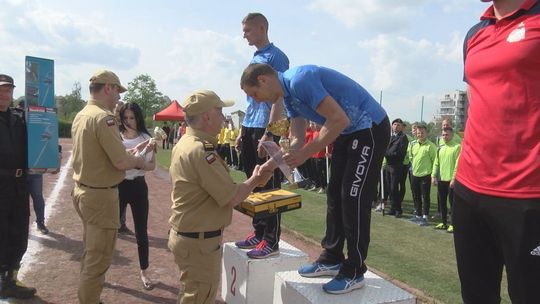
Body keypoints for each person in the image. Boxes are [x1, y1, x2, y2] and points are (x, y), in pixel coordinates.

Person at [241, 63, 390, 294]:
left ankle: (355, 270)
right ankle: (331, 257)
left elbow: (339, 120)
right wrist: (269, 167)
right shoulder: (288, 96)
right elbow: (297, 142)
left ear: (263, 80)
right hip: (348, 132)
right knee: (334, 195)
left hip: (369, 128)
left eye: (254, 94)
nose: (257, 100)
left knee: (352, 197)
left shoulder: (300, 80)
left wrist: (305, 153)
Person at [454, 0, 540, 302]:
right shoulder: (474, 33)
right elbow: (476, 101)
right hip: (468, 190)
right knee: (476, 296)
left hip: (527, 195)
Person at [168, 89, 266, 304]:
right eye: (220, 111)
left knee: (191, 293)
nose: (223, 118)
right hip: (198, 240)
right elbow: (231, 197)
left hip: (189, 235)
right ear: (207, 117)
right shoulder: (201, 152)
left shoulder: (187, 143)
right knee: (199, 297)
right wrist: (256, 179)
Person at [71, 70, 147, 304]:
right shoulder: (104, 118)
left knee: (91, 252)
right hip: (100, 196)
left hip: (84, 191)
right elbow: (122, 162)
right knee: (99, 257)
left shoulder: (82, 114)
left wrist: (127, 154)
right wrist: (138, 159)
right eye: (117, 91)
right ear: (107, 89)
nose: (118, 98)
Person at [234, 12, 290, 259]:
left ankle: (271, 240)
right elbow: (252, 97)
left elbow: (279, 96)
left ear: (261, 27)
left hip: (267, 127)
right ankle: (258, 232)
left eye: (247, 30)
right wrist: (242, 129)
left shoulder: (277, 57)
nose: (244, 35)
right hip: (250, 124)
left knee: (269, 183)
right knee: (253, 182)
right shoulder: (255, 57)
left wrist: (269, 133)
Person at [0, 74, 37, 299]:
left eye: (7, 90)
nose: (4, 94)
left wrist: (50, 155)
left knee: (19, 230)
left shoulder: (20, 117)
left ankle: (11, 279)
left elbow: (39, 140)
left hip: (20, 183)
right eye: (1, 90)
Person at [118, 102, 156, 290]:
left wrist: (139, 164)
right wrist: (133, 159)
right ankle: (99, 272)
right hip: (119, 186)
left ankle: (144, 271)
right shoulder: (116, 137)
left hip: (139, 187)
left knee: (141, 231)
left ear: (138, 118)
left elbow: (152, 166)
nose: (128, 121)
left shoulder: (146, 138)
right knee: (109, 230)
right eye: (125, 118)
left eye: (132, 117)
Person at [431, 127, 460, 233]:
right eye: (443, 135)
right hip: (441, 179)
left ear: (452, 135)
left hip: (452, 181)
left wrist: (453, 178)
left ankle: (453, 224)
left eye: (447, 135)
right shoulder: (440, 147)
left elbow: (458, 165)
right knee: (442, 203)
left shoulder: (457, 147)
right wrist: (433, 176)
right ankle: (443, 223)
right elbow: (436, 162)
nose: (445, 137)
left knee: (453, 204)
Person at [407, 124, 436, 226]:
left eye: (422, 132)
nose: (420, 134)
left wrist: (433, 175)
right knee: (416, 195)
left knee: (425, 196)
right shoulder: (413, 144)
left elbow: (435, 161)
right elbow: (411, 157)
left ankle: (425, 217)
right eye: (418, 133)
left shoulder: (431, 146)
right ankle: (418, 215)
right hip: (415, 174)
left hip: (426, 175)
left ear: (426, 133)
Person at [385, 118, 409, 217]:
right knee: (389, 188)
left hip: (396, 165)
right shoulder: (390, 137)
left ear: (401, 127)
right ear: (392, 126)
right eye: (394, 124)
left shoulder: (403, 137)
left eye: (398, 125)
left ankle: (398, 209)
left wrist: (387, 154)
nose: (396, 126)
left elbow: (400, 153)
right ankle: (393, 208)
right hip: (388, 165)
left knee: (394, 188)